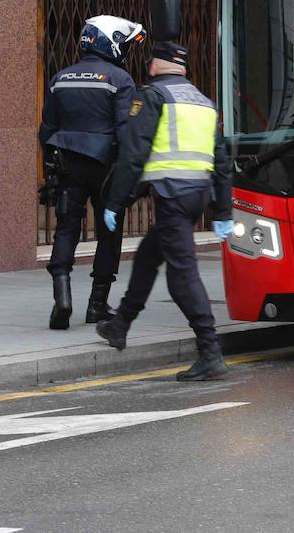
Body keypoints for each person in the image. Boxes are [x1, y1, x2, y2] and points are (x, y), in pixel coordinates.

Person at [95, 41, 235, 381]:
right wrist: (222, 211)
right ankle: (120, 324)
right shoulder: (203, 102)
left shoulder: (153, 95)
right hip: (197, 195)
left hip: (172, 196)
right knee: (147, 255)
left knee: (182, 277)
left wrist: (115, 201)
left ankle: (210, 351)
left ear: (156, 65)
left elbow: (133, 152)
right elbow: (222, 162)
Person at [38, 15, 144, 330]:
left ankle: (62, 297)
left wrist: (51, 165)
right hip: (107, 168)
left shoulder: (60, 78)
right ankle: (97, 305)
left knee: (67, 229)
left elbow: (46, 128)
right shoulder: (120, 79)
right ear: (108, 40)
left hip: (68, 165)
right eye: (122, 43)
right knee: (109, 233)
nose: (124, 50)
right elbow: (126, 131)